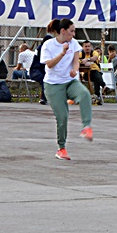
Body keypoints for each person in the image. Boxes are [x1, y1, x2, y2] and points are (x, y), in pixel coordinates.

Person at [41, 18, 93, 161]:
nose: (74, 34)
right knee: (62, 117)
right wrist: (62, 53)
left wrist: (75, 71)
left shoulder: (74, 43)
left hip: (69, 81)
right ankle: (61, 148)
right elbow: (49, 65)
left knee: (84, 94)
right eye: (72, 31)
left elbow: (76, 61)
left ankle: (86, 127)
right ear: (63, 31)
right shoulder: (48, 45)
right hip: (53, 85)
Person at [81, 39, 105, 105]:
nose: (87, 48)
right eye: (85, 46)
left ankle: (97, 97)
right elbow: (77, 60)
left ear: (91, 47)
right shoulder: (81, 54)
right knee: (97, 76)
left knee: (96, 76)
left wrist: (87, 59)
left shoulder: (94, 52)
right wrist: (82, 62)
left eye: (88, 46)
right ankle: (104, 86)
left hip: (96, 72)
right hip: (86, 74)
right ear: (82, 47)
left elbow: (95, 57)